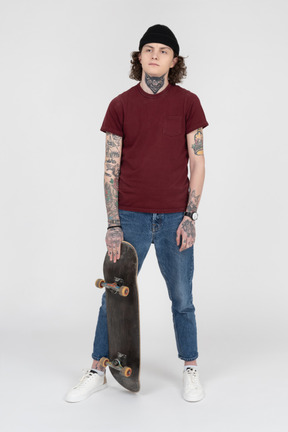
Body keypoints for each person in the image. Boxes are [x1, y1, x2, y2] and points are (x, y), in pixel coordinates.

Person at [65, 24, 209, 403]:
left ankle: (190, 367)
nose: (155, 55)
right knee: (113, 295)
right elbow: (110, 169)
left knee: (182, 296)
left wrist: (190, 216)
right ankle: (98, 369)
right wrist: (113, 224)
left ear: (173, 61)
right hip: (129, 216)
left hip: (175, 218)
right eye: (149, 49)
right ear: (139, 57)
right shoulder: (121, 104)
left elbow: (198, 160)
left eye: (164, 50)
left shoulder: (188, 102)